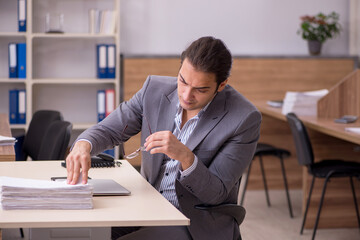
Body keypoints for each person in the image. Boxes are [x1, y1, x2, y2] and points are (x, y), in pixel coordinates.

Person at [66, 36, 261, 240]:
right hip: (148, 207)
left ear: (221, 85)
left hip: (197, 221)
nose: (186, 95)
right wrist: (83, 145)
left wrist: (186, 158)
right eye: (183, 82)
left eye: (200, 90)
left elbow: (216, 193)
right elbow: (110, 129)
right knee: (83, 233)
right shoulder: (153, 90)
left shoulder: (243, 118)